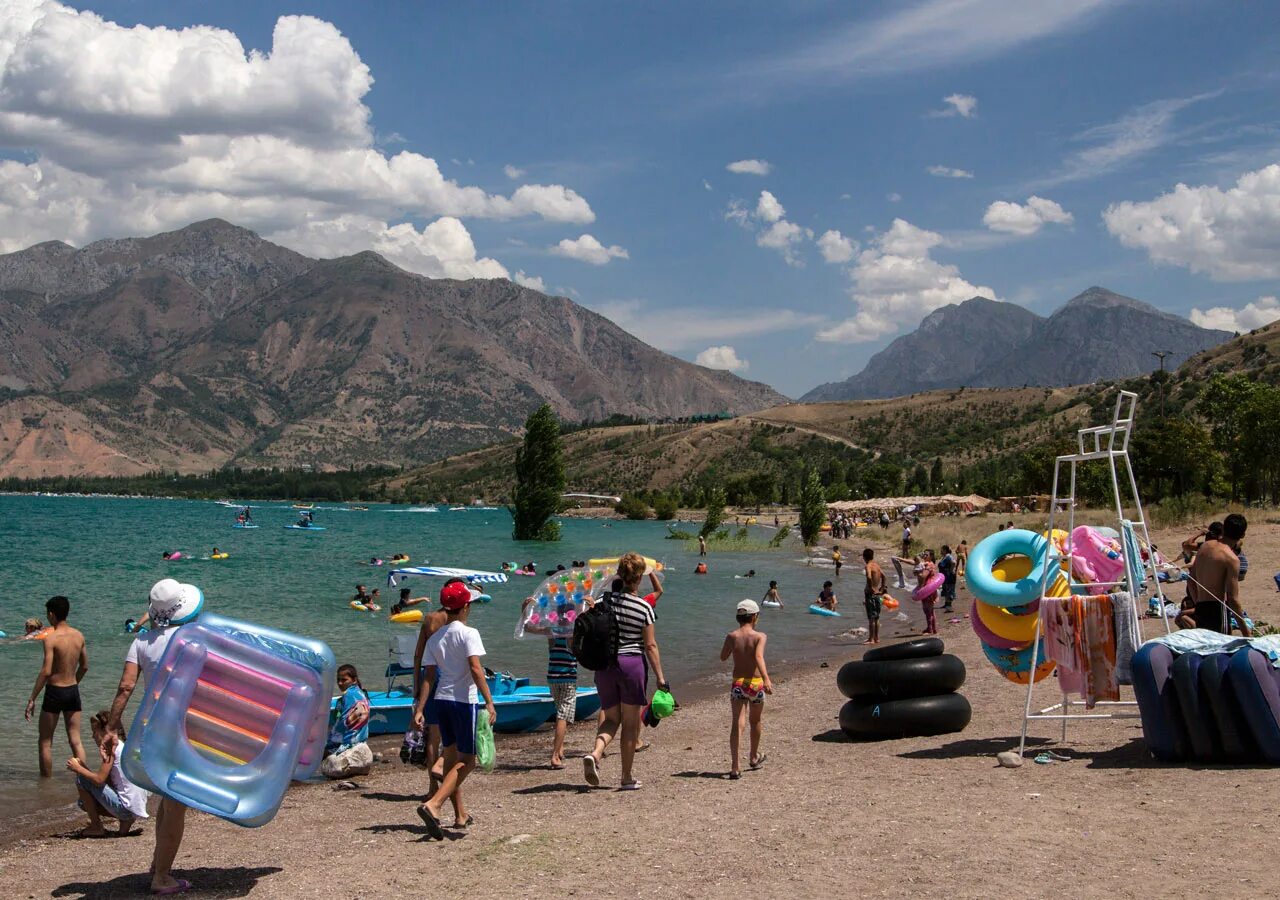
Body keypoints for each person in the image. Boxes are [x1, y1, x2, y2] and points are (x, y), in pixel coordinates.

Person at [108, 578, 205, 894]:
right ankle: (162, 876)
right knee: (176, 802)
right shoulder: (191, 639)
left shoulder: (140, 642)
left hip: (152, 726)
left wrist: (112, 725)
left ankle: (157, 864)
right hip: (183, 726)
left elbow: (126, 687)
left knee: (167, 798)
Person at [412, 580, 496, 839]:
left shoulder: (436, 637)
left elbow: (428, 676)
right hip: (463, 702)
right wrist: (490, 701)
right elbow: (475, 668)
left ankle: (460, 816)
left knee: (450, 760)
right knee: (468, 761)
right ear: (466, 606)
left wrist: (420, 707)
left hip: (441, 701)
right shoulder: (469, 633)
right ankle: (434, 804)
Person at [583, 552, 669, 792]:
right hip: (631, 665)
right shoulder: (643, 607)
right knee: (630, 725)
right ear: (639, 578)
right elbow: (650, 646)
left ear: (619, 576)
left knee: (611, 719)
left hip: (605, 666)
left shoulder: (602, 603)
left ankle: (596, 753)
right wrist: (661, 679)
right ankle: (626, 777)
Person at [25, 595, 87, 777]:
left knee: (45, 742)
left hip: (54, 692)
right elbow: (85, 666)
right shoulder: (78, 635)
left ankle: (46, 784)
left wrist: (32, 698)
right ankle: (85, 780)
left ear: (51, 614)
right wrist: (74, 683)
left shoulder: (51, 639)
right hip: (72, 691)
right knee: (75, 740)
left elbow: (46, 671)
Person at [66, 710, 150, 837]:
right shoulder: (125, 746)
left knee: (81, 781)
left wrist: (78, 769)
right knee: (88, 786)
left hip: (126, 809)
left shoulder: (111, 749)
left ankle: (96, 826)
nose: (92, 736)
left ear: (105, 731)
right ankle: (125, 823)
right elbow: (108, 781)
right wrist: (83, 767)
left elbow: (99, 780)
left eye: (94, 732)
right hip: (136, 808)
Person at [520, 597, 578, 769]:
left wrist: (524, 609)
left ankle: (559, 750)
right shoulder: (572, 633)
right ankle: (555, 755)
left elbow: (527, 627)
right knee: (563, 715)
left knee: (561, 711)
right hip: (568, 678)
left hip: (552, 677)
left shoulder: (551, 630)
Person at [720, 600, 772, 779]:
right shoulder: (760, 637)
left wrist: (732, 648)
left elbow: (723, 657)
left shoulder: (732, 636)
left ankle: (735, 766)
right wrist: (766, 679)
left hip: (738, 685)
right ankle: (753, 756)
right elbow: (758, 656)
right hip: (755, 683)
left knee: (737, 723)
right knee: (755, 721)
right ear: (755, 617)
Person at [411, 589, 452, 791]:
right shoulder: (457, 621)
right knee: (453, 732)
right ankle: (444, 770)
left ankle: (431, 786)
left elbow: (418, 654)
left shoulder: (430, 619)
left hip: (429, 674)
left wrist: (416, 685)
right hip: (448, 676)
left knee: (432, 735)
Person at [1188, 514, 1249, 635]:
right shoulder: (1231, 559)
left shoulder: (1205, 546)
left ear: (1224, 529)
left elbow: (1191, 580)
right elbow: (1233, 599)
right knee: (1220, 651)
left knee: (1205, 650)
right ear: (1242, 535)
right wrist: (1247, 633)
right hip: (1218, 610)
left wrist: (1197, 604)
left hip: (1200, 606)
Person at [322, 664, 373, 778]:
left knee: (326, 763)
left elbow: (342, 725)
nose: (340, 683)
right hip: (362, 744)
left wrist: (329, 745)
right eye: (338, 680)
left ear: (354, 680)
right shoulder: (360, 693)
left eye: (344, 680)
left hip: (348, 744)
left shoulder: (348, 696)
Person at [863, 549, 885, 645]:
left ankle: (871, 639)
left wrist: (871, 587)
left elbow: (868, 577)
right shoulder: (877, 566)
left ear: (864, 557)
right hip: (877, 594)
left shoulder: (868, 566)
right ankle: (876, 638)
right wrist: (882, 589)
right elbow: (884, 576)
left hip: (870, 594)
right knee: (876, 617)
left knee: (871, 617)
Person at [915, 554, 940, 635]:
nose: (924, 555)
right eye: (924, 554)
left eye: (926, 554)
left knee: (927, 610)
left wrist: (917, 572)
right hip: (930, 588)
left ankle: (930, 629)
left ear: (931, 556)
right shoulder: (929, 564)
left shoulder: (929, 565)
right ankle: (933, 628)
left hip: (927, 589)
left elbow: (923, 576)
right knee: (931, 610)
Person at [937, 544, 957, 612]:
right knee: (946, 589)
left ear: (945, 550)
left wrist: (950, 571)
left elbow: (954, 563)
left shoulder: (948, 556)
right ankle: (946, 604)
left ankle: (949, 607)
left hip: (949, 576)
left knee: (949, 590)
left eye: (942, 549)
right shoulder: (945, 557)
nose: (941, 551)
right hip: (945, 576)